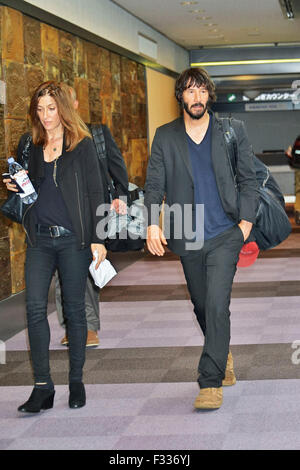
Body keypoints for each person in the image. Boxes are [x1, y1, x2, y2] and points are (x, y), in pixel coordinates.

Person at [145, 67, 258, 410]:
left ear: (210, 95)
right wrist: (152, 223)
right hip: (187, 234)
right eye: (190, 92)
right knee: (201, 304)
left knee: (217, 303)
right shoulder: (165, 136)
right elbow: (154, 184)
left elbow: (248, 180)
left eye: (202, 91)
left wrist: (245, 226)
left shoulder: (231, 130)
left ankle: (210, 382)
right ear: (180, 96)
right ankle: (222, 353)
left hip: (226, 232)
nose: (197, 98)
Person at [3, 81, 107, 412]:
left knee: (74, 309)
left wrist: (97, 238)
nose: (46, 116)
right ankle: (42, 387)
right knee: (34, 308)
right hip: (39, 239)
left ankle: (76, 382)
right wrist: (13, 186)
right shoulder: (29, 144)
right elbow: (27, 190)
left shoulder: (83, 145)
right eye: (40, 109)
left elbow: (95, 193)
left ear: (62, 108)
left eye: (51, 108)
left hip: (74, 240)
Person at [56, 85, 129, 348]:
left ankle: (88, 327)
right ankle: (71, 325)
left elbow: (116, 164)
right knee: (61, 273)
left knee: (86, 267)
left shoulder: (95, 133)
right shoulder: (49, 138)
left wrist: (122, 193)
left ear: (75, 105)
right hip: (58, 215)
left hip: (91, 210)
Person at [285, 137, 300, 224]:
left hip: (298, 167)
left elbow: (293, 154)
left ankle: (298, 212)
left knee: (298, 190)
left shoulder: (298, 140)